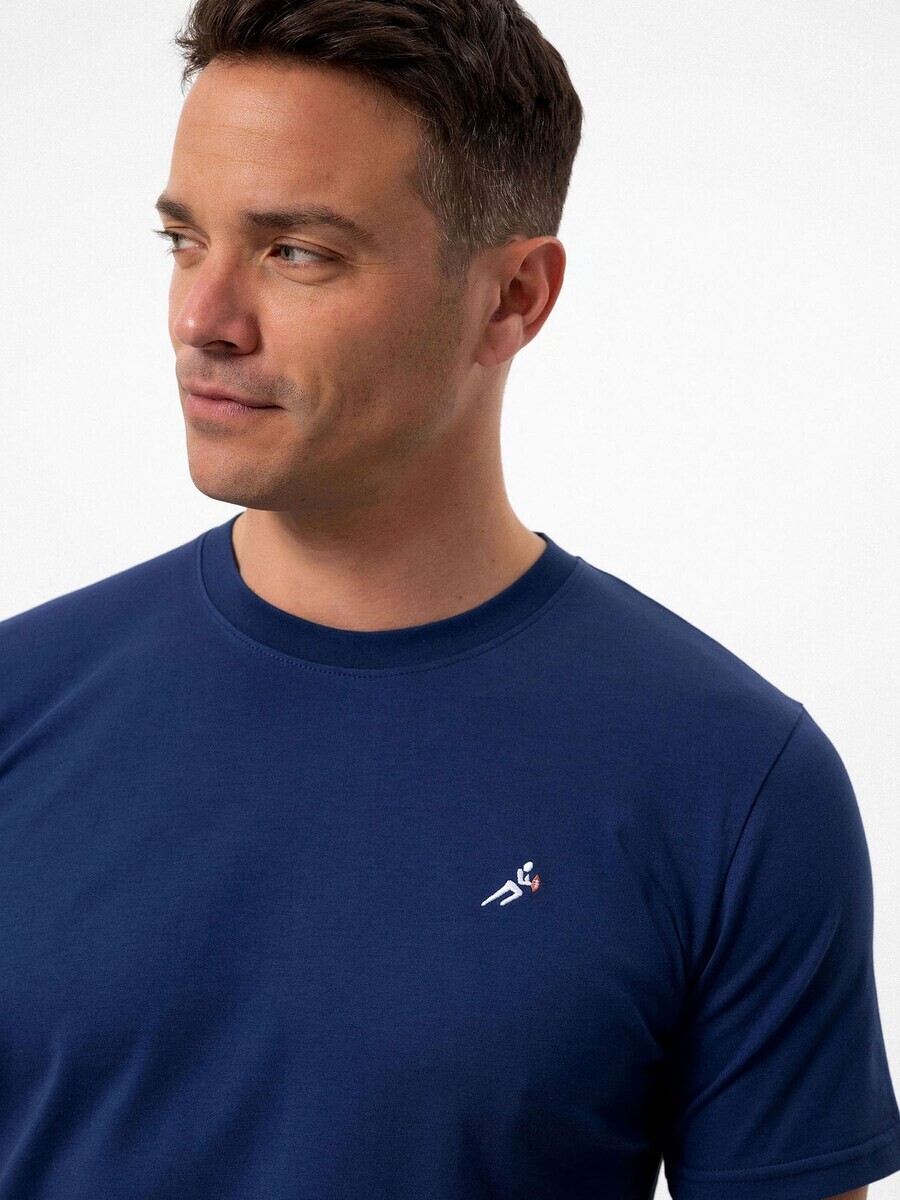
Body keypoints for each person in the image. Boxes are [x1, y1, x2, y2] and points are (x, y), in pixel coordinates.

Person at [0, 2, 897, 1197]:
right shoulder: (19, 705)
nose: (201, 320)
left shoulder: (731, 783)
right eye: (183, 239)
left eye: (295, 252)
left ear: (514, 296)